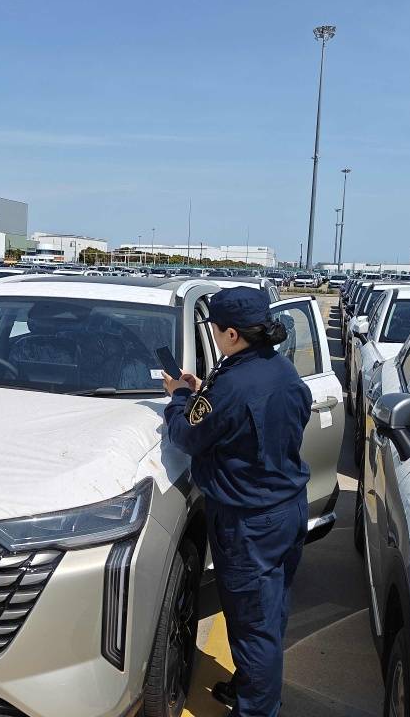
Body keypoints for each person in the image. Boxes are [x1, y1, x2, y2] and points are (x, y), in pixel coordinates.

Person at [162, 286, 312, 717]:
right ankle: (252, 688)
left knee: (252, 626)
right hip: (287, 510)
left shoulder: (231, 385)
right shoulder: (282, 370)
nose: (213, 335)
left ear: (231, 334)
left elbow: (187, 435)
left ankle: (257, 709)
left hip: (249, 523)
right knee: (269, 614)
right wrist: (203, 393)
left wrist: (179, 396)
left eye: (215, 329)